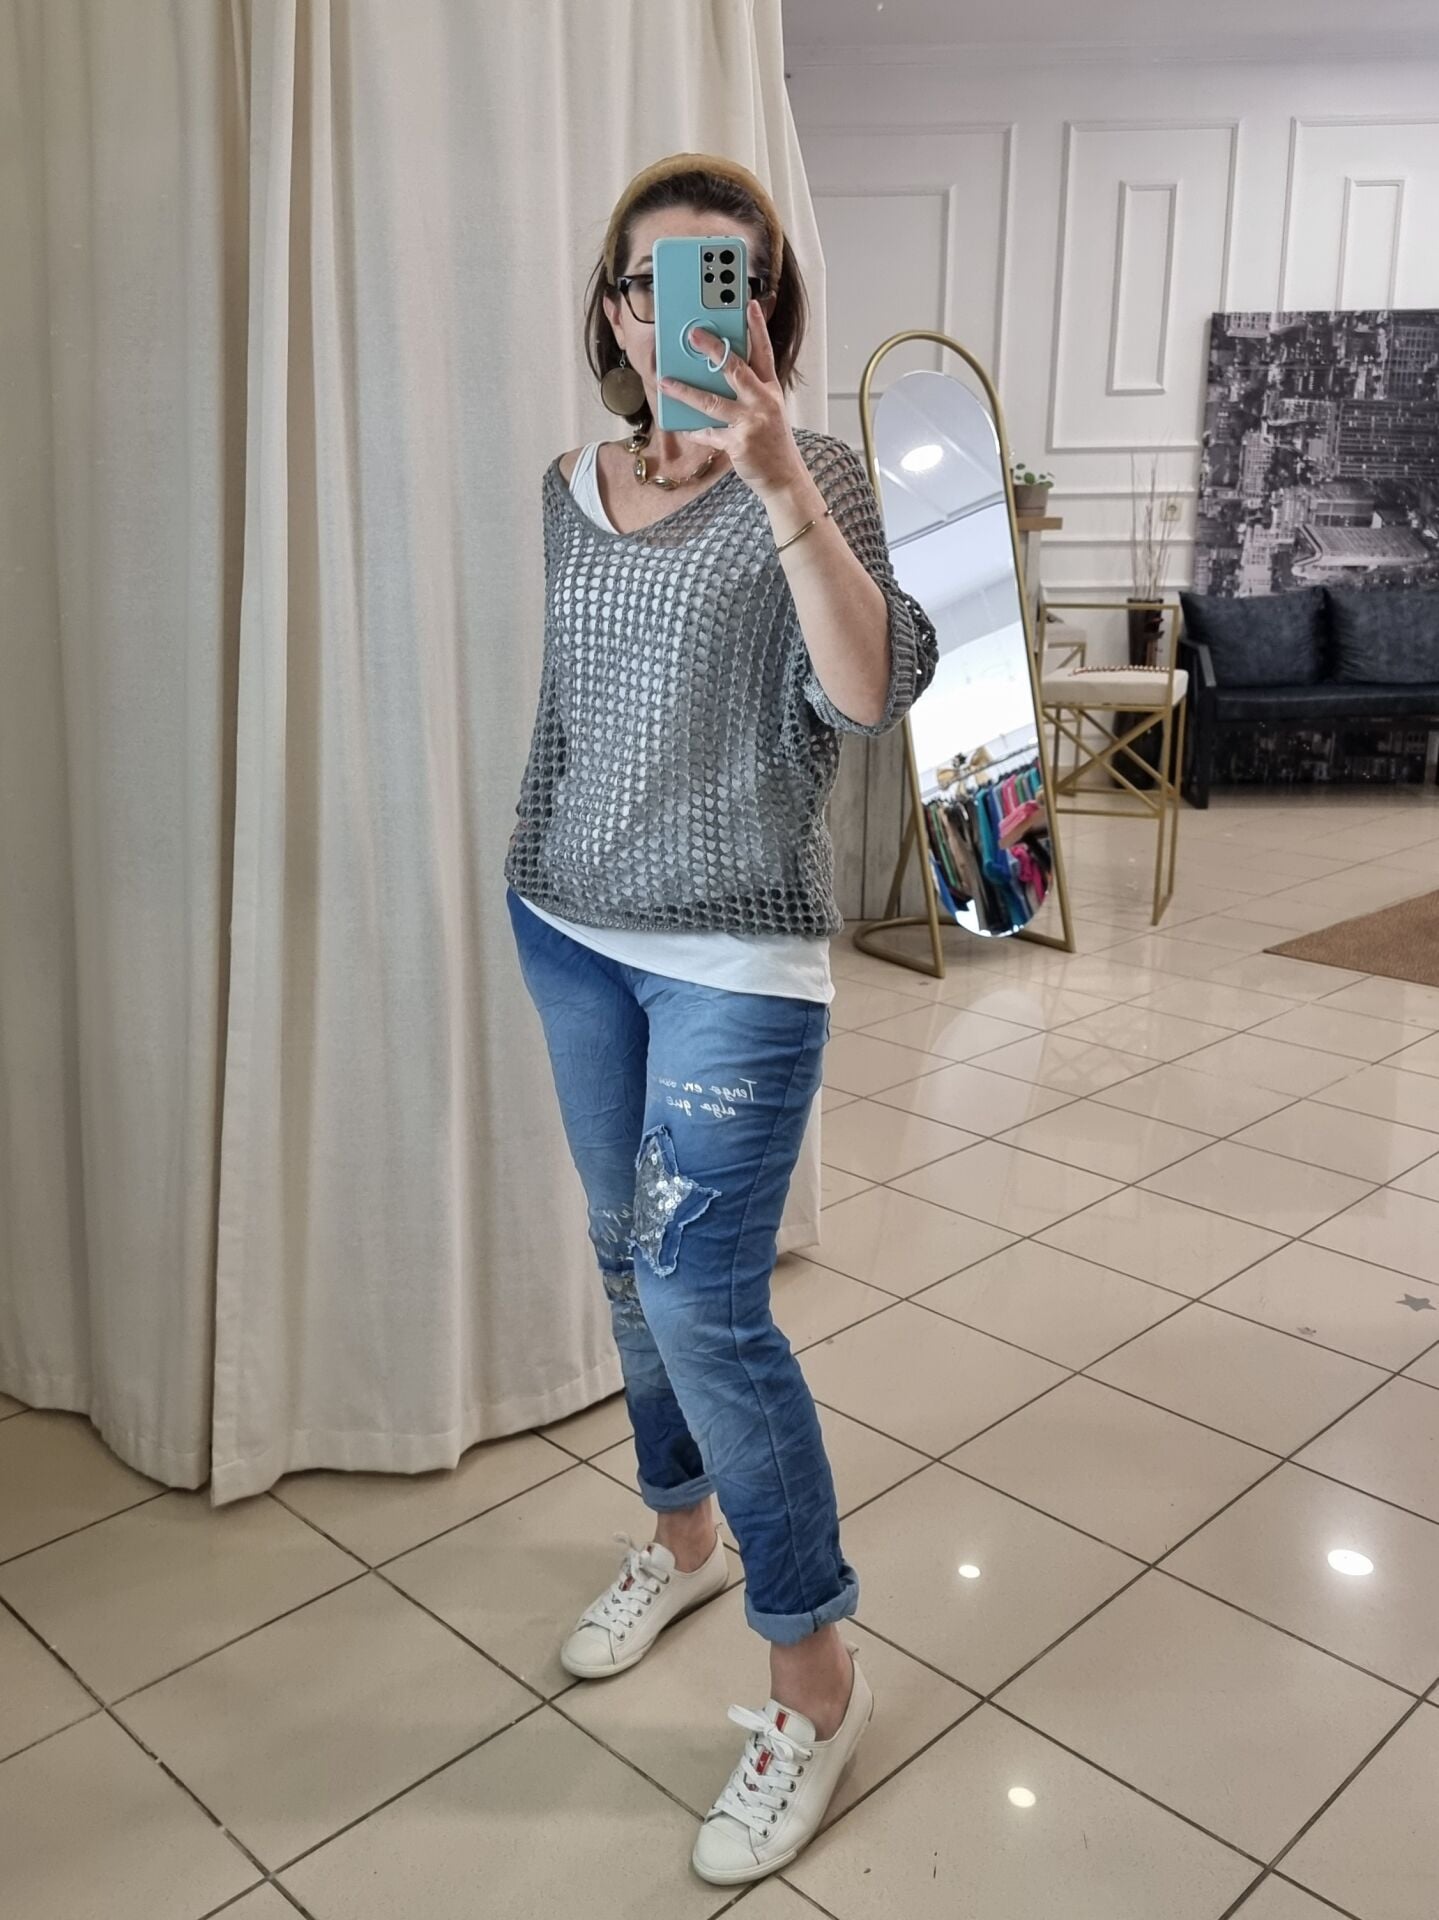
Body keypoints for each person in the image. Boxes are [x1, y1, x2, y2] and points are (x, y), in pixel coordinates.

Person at [503, 152, 938, 1886]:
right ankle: (681, 1538)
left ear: (764, 308)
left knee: (703, 1298)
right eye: (651, 282)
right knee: (626, 1263)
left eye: (723, 281)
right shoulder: (566, 486)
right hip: (568, 930)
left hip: (735, 959)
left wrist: (779, 486)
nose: (680, 312)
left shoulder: (817, 476)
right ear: (614, 312)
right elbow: (576, 710)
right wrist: (537, 868)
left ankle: (815, 1679)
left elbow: (872, 693)